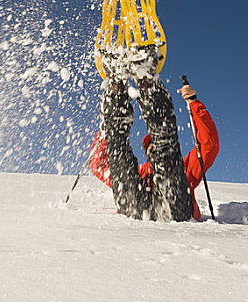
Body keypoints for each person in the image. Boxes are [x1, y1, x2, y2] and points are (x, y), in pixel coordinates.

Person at [90, 46, 219, 222]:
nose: (152, 150)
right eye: (150, 147)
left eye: (153, 146)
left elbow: (208, 146)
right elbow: (99, 164)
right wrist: (106, 132)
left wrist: (194, 104)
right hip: (137, 214)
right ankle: (116, 80)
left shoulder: (186, 169)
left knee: (166, 149)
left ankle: (146, 78)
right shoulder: (142, 173)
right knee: (118, 154)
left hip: (175, 215)